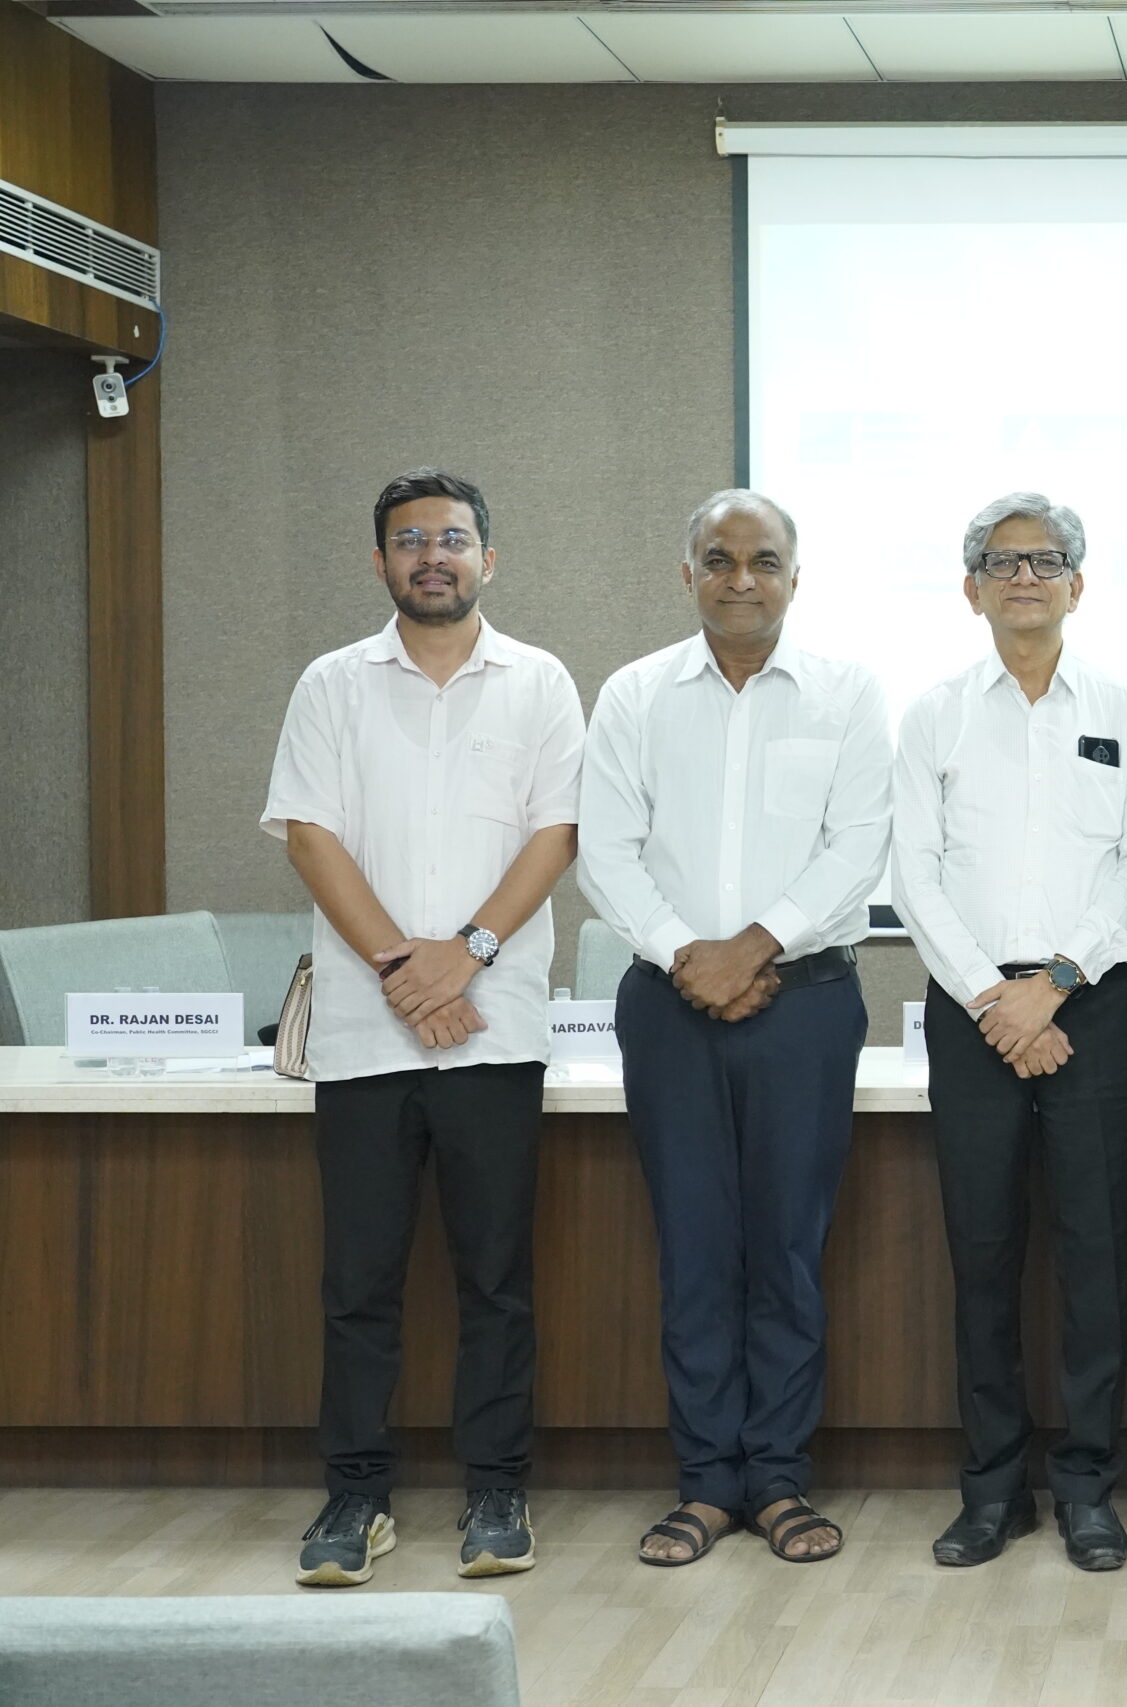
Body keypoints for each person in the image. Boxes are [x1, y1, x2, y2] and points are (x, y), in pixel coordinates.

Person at [263, 468, 583, 1586]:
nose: (431, 556)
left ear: (488, 558)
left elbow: (557, 834)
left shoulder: (540, 682)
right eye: (410, 540)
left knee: (496, 1276)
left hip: (494, 1029)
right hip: (365, 1034)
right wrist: (408, 970)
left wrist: (467, 955)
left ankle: (497, 1489)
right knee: (359, 1281)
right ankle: (355, 1497)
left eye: (452, 539)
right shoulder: (332, 683)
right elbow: (309, 834)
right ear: (380, 562)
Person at [578, 490, 892, 1569]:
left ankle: (780, 1479)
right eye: (718, 559)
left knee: (789, 1250)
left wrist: (748, 948)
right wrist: (691, 957)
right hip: (669, 1005)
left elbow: (858, 843)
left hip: (805, 1003)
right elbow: (606, 849)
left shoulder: (848, 693)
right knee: (696, 1247)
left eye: (763, 560)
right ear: (688, 575)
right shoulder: (634, 694)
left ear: (796, 576)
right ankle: (708, 1483)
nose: (741, 578)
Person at [893, 493, 1127, 1572]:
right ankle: (993, 1490)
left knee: (1095, 1254)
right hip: (973, 1013)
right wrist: (994, 999)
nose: (1025, 579)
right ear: (973, 590)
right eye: (1003, 564)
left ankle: (1088, 1488)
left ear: (1077, 585)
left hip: (1089, 1001)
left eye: (1046, 562)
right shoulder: (934, 716)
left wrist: (1052, 985)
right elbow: (914, 875)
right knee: (984, 1253)